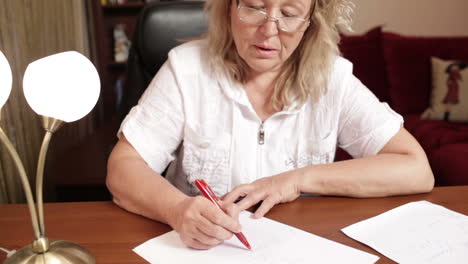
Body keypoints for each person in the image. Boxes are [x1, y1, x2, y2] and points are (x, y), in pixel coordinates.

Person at [107, 0, 434, 250]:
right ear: (229, 8)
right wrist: (177, 210)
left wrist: (295, 180)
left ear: (310, 22)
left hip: (298, 248)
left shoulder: (333, 78)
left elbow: (415, 169)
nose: (269, 30)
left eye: (290, 13)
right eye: (254, 7)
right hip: (205, 251)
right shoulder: (186, 69)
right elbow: (124, 167)